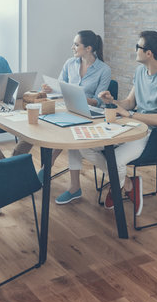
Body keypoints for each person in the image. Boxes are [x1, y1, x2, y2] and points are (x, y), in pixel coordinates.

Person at [80, 30, 157, 216]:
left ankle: (118, 188)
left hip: (153, 135)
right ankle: (127, 183)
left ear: (148, 53)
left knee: (117, 160)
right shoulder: (140, 71)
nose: (135, 50)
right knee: (86, 147)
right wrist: (112, 101)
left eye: (138, 47)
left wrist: (130, 115)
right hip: (132, 125)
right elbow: (129, 103)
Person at [15, 30, 111, 204]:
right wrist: (50, 89)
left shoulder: (104, 70)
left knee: (71, 134)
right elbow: (60, 86)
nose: (72, 47)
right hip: (68, 109)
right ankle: (66, 183)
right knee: (56, 129)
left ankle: (61, 180)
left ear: (88, 48)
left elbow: (99, 101)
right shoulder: (70, 63)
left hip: (91, 115)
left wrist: (79, 97)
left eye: (76, 44)